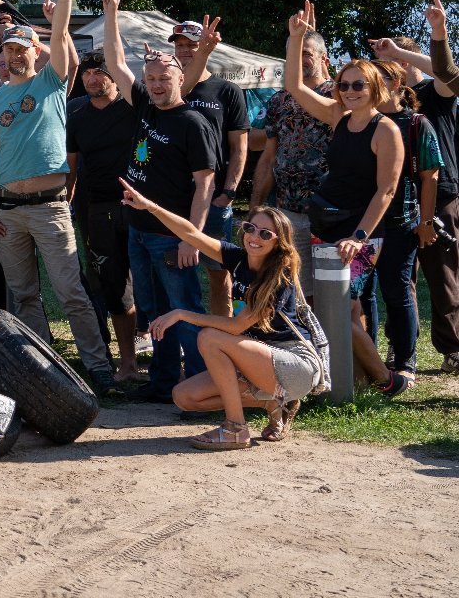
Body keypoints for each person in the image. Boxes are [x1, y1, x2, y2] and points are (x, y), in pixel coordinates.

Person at [0, 0, 116, 392]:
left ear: (35, 52)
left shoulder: (52, 82)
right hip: (8, 212)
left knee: (71, 292)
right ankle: (42, 374)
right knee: (25, 297)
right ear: (0, 55)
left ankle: (98, 369)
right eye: (8, 48)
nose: (15, 54)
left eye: (22, 47)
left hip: (51, 208)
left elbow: (59, 38)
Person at [119, 183, 320, 451]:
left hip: (296, 365)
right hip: (260, 360)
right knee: (184, 397)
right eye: (249, 228)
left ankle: (236, 429)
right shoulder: (238, 258)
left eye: (265, 233)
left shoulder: (278, 275)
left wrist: (180, 313)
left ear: (278, 242)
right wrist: (149, 206)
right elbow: (190, 232)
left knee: (211, 338)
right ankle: (272, 403)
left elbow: (237, 327)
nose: (254, 237)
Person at [99, 0, 220, 401]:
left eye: (163, 78)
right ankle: (165, 383)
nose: (154, 84)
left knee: (185, 312)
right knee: (155, 312)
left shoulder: (192, 122)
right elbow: (115, 62)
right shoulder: (147, 107)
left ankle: (204, 388)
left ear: (180, 78)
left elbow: (206, 182)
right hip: (137, 228)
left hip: (172, 235)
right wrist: (111, 13)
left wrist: (193, 237)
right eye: (150, 79)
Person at [283, 0, 408, 396]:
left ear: (373, 88)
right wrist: (296, 40)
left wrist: (359, 235)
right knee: (342, 308)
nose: (350, 91)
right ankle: (355, 378)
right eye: (344, 84)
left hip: (362, 233)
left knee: (340, 310)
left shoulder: (386, 130)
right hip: (328, 226)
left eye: (358, 85)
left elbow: (386, 190)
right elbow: (294, 86)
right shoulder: (338, 116)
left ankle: (387, 380)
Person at [377, 0, 459, 373]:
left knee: (443, 276)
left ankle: (453, 348)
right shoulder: (384, 105)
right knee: (398, 279)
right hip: (395, 198)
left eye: (390, 64)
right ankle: (400, 347)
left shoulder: (433, 94)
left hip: (439, 195)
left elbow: (449, 75)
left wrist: (402, 52)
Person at [65, 49, 142, 381]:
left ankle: (169, 362)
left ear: (114, 77)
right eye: (87, 75)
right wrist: (65, 206)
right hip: (99, 208)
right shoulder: (77, 116)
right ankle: (126, 362)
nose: (93, 79)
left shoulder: (135, 109)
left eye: (100, 73)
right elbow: (70, 170)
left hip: (142, 206)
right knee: (113, 286)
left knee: (155, 282)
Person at [170, 17, 252, 317]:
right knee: (175, 273)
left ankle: (223, 332)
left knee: (219, 273)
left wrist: (228, 192)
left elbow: (239, 147)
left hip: (213, 199)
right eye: (179, 45)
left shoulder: (227, 91)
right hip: (173, 200)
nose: (185, 51)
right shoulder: (169, 89)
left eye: (191, 46)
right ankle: (180, 336)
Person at [371, 55, 443, 382]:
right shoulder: (363, 121)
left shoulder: (417, 124)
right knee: (361, 294)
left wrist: (426, 222)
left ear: (397, 84)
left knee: (397, 291)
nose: (369, 87)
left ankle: (405, 362)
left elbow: (430, 176)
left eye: (378, 80)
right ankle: (367, 360)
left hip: (402, 222)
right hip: (363, 225)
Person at [251, 20, 336, 291]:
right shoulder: (279, 101)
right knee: (296, 290)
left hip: (331, 212)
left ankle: (340, 336)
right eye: (293, 53)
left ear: (324, 58)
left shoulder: (340, 95)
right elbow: (268, 159)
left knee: (337, 294)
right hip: (288, 213)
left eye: (306, 52)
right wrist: (255, 207)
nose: (299, 59)